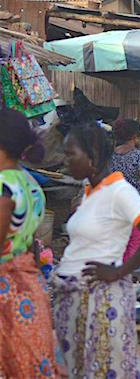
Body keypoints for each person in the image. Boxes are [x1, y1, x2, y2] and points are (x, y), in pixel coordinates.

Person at [53, 122, 140, 378]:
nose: (66, 160)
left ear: (92, 155)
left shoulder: (119, 191)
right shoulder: (89, 193)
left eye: (71, 153)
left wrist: (119, 271)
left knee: (107, 368)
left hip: (100, 302)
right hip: (75, 300)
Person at [0, 110, 56, 378]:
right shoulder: (31, 184)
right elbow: (32, 242)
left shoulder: (4, 186)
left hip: (7, 291)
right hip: (29, 284)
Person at [111, 119, 140, 262]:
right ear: (134, 136)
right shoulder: (139, 155)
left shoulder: (112, 156)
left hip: (117, 205)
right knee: (137, 241)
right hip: (137, 206)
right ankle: (133, 270)